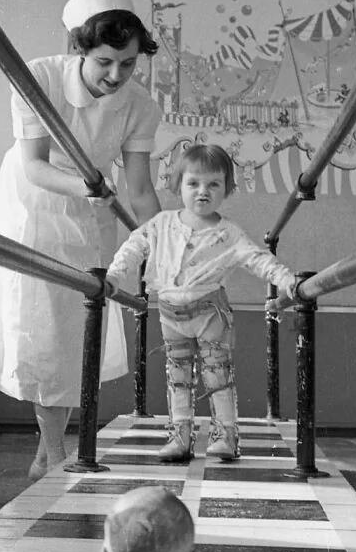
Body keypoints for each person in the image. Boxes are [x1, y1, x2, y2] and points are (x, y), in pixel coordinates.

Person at [0, 0, 162, 480]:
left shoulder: (140, 105)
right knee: (44, 328)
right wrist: (86, 186)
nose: (117, 75)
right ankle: (53, 453)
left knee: (74, 329)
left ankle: (46, 453)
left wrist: (166, 244)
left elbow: (139, 190)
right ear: (79, 49)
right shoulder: (37, 77)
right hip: (32, 205)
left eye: (129, 63)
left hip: (90, 212)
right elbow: (33, 165)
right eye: (105, 62)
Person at [105, 143, 296, 462]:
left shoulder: (228, 233)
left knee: (217, 374)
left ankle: (226, 434)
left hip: (211, 313)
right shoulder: (161, 224)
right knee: (178, 376)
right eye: (193, 183)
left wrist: (287, 280)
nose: (203, 191)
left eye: (213, 184)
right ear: (178, 185)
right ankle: (180, 435)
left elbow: (259, 259)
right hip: (171, 315)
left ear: (227, 189)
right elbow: (133, 246)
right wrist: (114, 275)